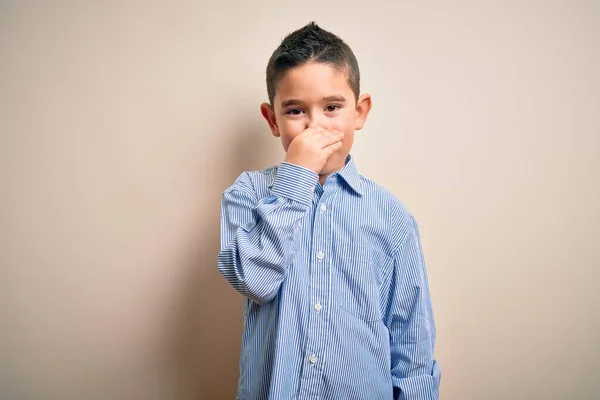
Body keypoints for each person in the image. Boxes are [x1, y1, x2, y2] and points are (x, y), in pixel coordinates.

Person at [218, 21, 440, 400]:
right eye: (295, 111)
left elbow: (412, 346)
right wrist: (297, 175)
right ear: (272, 120)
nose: (314, 126)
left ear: (360, 112)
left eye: (332, 107)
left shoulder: (392, 217)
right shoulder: (248, 194)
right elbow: (254, 281)